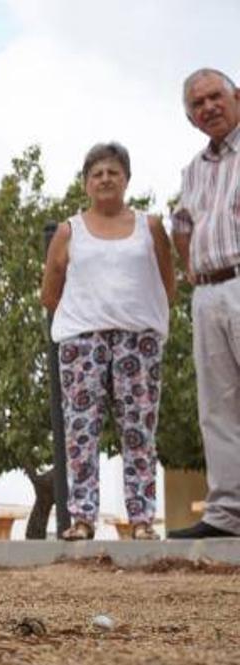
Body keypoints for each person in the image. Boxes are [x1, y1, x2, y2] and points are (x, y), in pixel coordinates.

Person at [40, 142, 175, 540]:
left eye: (113, 172)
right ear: (86, 183)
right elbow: (50, 292)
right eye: (96, 173)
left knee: (139, 430)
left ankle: (142, 520)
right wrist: (89, 314)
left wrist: (136, 315)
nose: (105, 179)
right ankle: (82, 519)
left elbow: (168, 284)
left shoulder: (150, 227)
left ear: (126, 179)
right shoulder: (69, 231)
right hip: (82, 341)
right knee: (81, 431)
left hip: (139, 341)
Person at [167, 68, 240, 539]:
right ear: (191, 118)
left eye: (216, 96)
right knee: (217, 406)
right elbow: (182, 223)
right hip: (208, 293)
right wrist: (189, 263)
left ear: (237, 97)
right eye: (198, 104)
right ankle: (228, 514)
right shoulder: (193, 169)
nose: (209, 107)